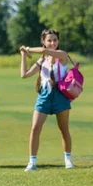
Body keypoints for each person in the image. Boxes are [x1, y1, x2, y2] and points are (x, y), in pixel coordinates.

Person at [19, 29, 74, 172]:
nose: (52, 43)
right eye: (49, 40)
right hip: (44, 95)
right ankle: (32, 162)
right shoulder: (41, 60)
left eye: (55, 40)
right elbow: (24, 75)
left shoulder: (62, 55)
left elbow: (45, 52)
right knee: (35, 128)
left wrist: (29, 48)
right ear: (43, 42)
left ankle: (68, 160)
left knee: (63, 129)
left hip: (60, 96)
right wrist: (24, 55)